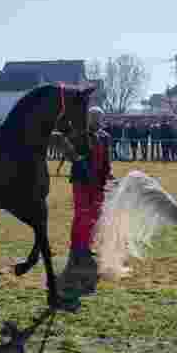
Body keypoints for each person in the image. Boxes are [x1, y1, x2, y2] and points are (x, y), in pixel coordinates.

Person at [58, 106, 113, 299]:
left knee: (94, 216)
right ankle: (77, 248)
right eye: (93, 117)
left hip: (98, 182)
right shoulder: (79, 135)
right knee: (82, 214)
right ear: (88, 118)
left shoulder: (105, 137)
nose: (96, 120)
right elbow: (69, 153)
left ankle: (86, 246)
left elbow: (106, 160)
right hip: (82, 181)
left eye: (99, 117)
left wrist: (109, 176)